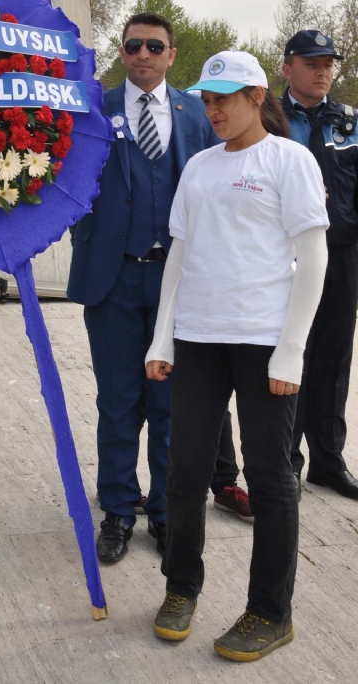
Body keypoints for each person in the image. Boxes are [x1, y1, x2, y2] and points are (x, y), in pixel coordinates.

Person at [147, 51, 329, 661]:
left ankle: (270, 612)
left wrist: (291, 351)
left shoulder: (289, 159)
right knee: (185, 471)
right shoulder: (198, 168)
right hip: (199, 337)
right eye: (207, 98)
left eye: (225, 97)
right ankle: (180, 587)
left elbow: (315, 259)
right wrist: (162, 337)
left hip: (262, 342)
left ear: (257, 95)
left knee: (271, 479)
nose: (214, 109)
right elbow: (179, 256)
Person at [67, 12, 225, 564]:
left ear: (171, 54)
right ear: (122, 50)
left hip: (176, 280)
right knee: (117, 400)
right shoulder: (93, 107)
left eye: (153, 46)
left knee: (170, 402)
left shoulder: (195, 116)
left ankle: (163, 510)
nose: (142, 55)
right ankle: (116, 508)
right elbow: (65, 178)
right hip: (111, 278)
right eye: (132, 45)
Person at [282, 29, 358, 500]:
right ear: (287, 67)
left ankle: (328, 461)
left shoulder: (349, 122)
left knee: (333, 359)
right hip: (286, 258)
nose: (322, 71)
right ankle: (285, 461)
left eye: (328, 62)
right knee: (291, 356)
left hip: (342, 255)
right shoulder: (268, 117)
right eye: (312, 62)